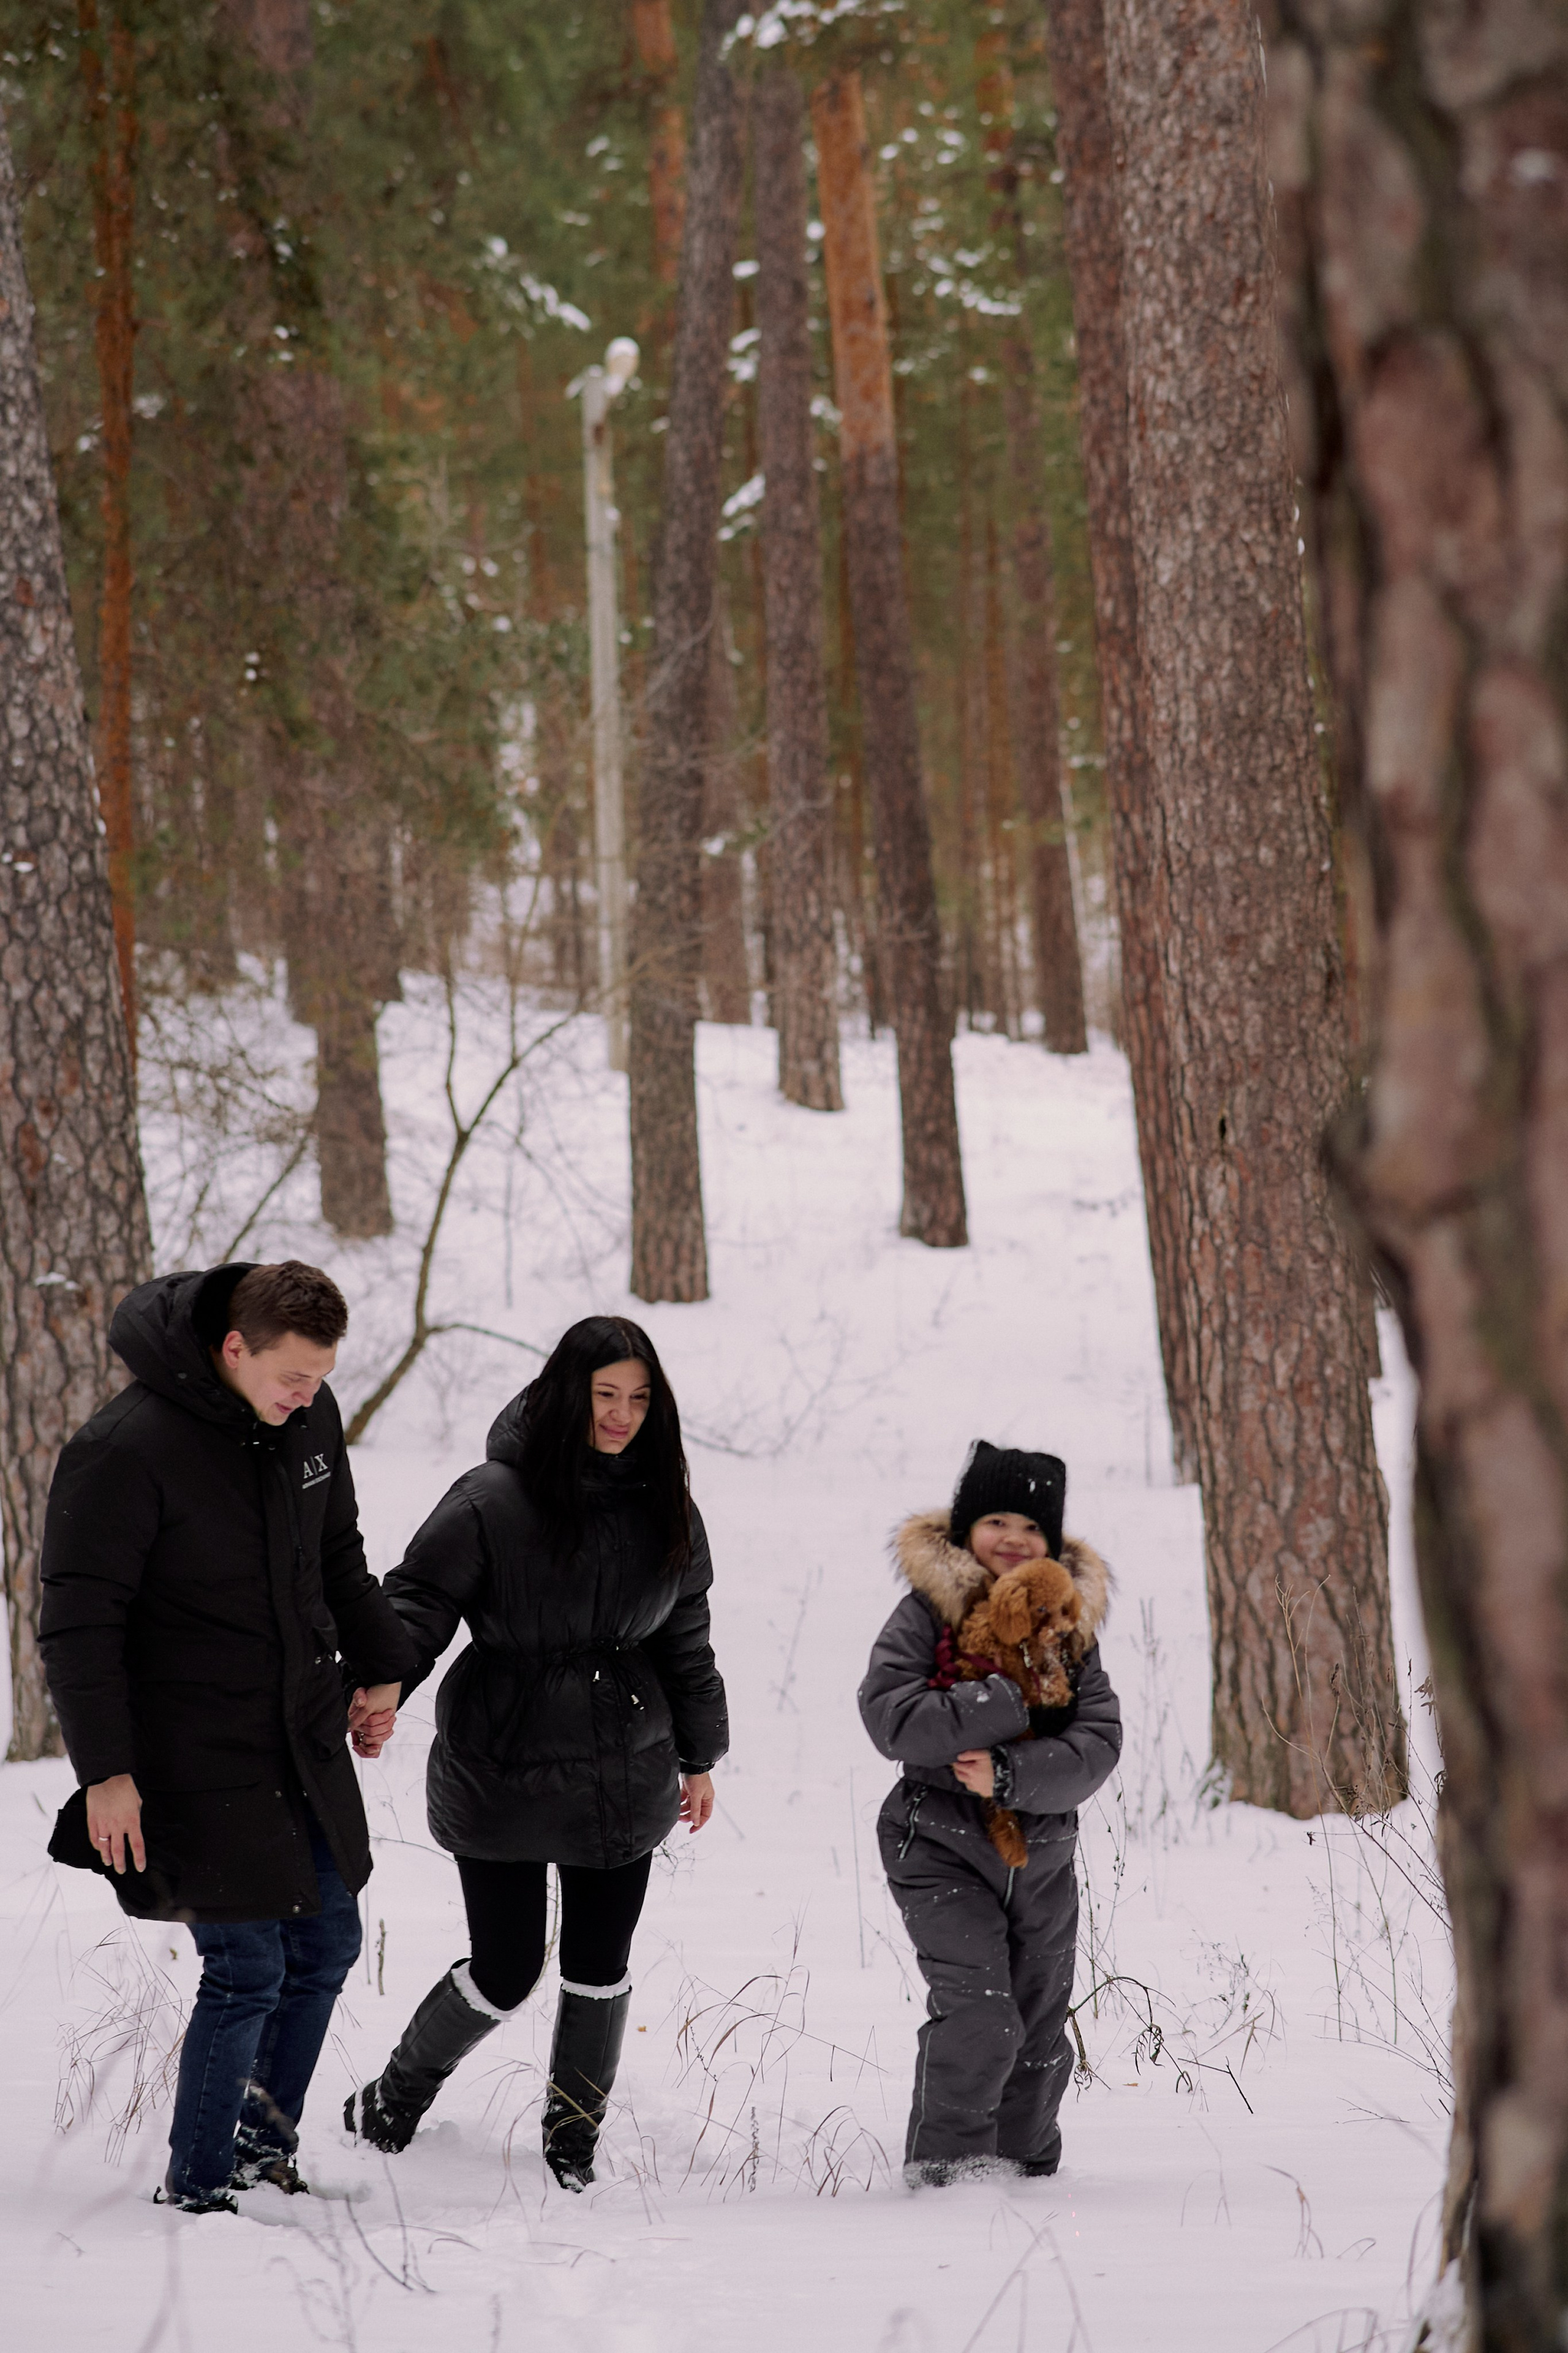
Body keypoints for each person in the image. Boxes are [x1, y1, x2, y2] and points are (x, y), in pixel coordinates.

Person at [39, 1260, 419, 2215]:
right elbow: (80, 1627)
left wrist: (382, 1666)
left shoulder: (309, 1420)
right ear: (233, 1346)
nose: (309, 1394)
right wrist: (107, 1775)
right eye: (292, 1376)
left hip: (301, 1732)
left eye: (322, 1377)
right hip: (190, 1754)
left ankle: (264, 2159)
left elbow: (340, 1554)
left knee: (328, 1942)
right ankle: (202, 2188)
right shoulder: (123, 1449)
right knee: (247, 1967)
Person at [347, 1314, 728, 2191]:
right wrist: (383, 1685)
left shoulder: (667, 1504)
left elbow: (688, 1640)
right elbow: (418, 1601)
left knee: (600, 1964)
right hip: (503, 1758)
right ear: (567, 1392)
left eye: (638, 1398)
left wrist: (700, 1753)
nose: (622, 1414)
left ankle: (572, 2146)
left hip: (624, 1760)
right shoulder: (491, 1495)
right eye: (605, 1395)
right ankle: (392, 2099)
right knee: (506, 1965)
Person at [858, 1440, 1121, 2187]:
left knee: (1039, 2027)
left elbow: (1098, 1741)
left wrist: (1011, 1772)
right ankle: (947, 2173)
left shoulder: (1068, 1630)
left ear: (1052, 1543)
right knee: (981, 2015)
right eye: (996, 1520)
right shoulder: (925, 1614)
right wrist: (1002, 1702)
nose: (1012, 1538)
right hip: (935, 1840)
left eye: (1030, 1527)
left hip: (1040, 1853)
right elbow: (890, 1716)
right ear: (966, 1527)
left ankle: (1025, 2170)